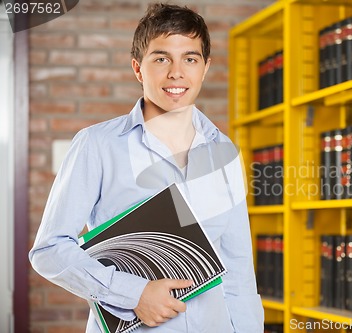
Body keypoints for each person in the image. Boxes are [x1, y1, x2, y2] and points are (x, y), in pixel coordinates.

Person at [29, 2, 264, 332]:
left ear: (205, 67)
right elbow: (50, 250)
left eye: (190, 59)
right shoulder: (97, 145)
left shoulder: (223, 151)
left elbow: (238, 267)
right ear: (138, 68)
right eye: (161, 58)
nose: (176, 72)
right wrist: (133, 294)